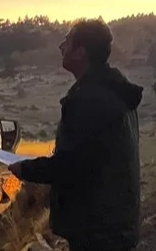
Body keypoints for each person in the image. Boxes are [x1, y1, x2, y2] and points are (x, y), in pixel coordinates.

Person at [9, 19, 143, 251]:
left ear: (81, 52)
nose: (61, 47)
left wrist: (25, 169)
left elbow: (70, 165)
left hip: (98, 233)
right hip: (116, 227)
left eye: (67, 41)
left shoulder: (88, 101)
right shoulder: (117, 94)